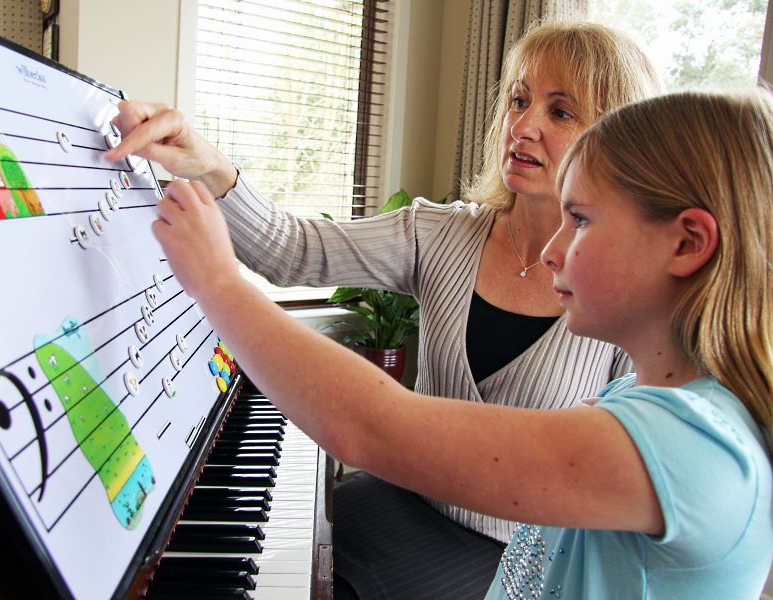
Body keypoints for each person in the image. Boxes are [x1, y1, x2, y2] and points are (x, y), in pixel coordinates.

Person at [149, 88, 773, 598]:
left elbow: (372, 428)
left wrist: (217, 282)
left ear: (686, 243)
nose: (552, 250)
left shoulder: (689, 450)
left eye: (583, 220)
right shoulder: (647, 399)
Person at [107, 21, 663, 598]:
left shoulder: (625, 301)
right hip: (394, 496)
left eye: (561, 112)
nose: (522, 127)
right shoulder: (440, 233)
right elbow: (292, 249)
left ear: (614, 140)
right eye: (519, 101)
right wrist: (207, 162)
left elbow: (613, 508)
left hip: (513, 560)